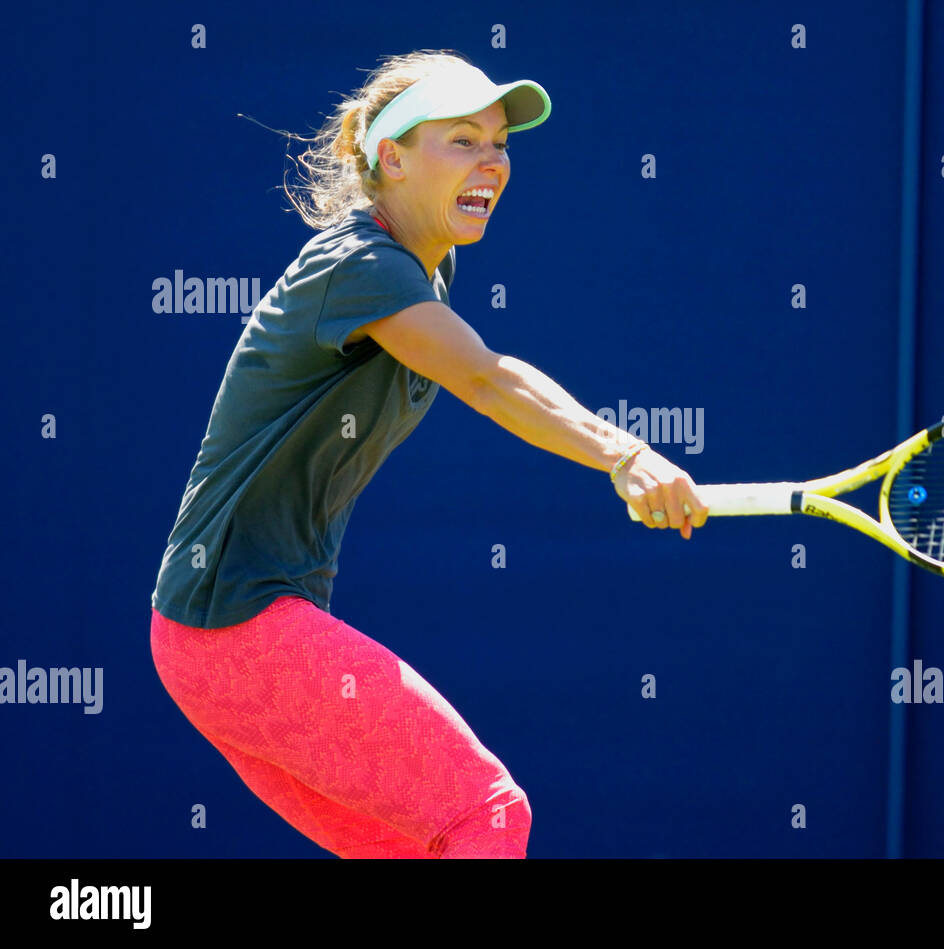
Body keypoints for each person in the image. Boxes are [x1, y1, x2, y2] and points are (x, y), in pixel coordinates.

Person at [149, 49, 707, 859]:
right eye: (461, 140)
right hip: (237, 626)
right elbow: (487, 377)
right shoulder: (362, 267)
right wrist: (625, 454)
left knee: (424, 847)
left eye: (499, 143)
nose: (492, 161)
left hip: (218, 638)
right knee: (487, 815)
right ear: (392, 158)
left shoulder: (417, 278)